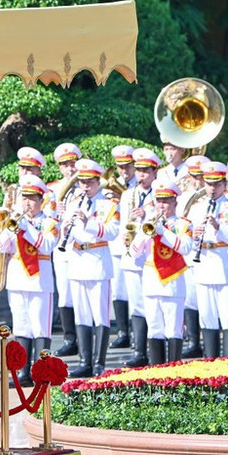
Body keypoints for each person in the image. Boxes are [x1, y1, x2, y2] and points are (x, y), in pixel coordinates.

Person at [0, 175, 59, 386]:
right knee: (21, 326)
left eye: (32, 198)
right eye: (24, 198)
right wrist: (9, 228)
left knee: (40, 326)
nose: (27, 203)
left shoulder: (49, 223)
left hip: (40, 280)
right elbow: (2, 247)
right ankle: (22, 373)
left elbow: (46, 246)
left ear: (41, 200)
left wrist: (27, 229)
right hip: (17, 279)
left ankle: (42, 371)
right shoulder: (15, 221)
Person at [62, 158, 120, 377]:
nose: (85, 186)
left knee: (100, 314)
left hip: (97, 260)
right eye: (82, 182)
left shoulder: (109, 205)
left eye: (90, 182)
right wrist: (64, 227)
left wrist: (89, 222)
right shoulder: (73, 202)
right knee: (82, 314)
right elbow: (63, 232)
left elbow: (113, 232)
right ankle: (84, 361)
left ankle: (98, 363)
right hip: (77, 259)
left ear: (98, 182)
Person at [129, 179, 193, 363]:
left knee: (173, 329)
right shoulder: (148, 224)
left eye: (166, 201)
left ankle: (173, 372)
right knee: (155, 328)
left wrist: (163, 232)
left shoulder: (183, 225)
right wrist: (143, 234)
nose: (162, 206)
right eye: (159, 201)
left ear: (175, 202)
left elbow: (185, 248)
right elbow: (133, 253)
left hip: (173, 281)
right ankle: (157, 372)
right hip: (151, 281)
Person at [118, 148, 160, 368]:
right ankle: (139, 350)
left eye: (146, 170)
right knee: (136, 305)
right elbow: (123, 223)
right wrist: (125, 233)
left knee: (153, 304)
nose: (141, 174)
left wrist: (147, 216)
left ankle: (155, 351)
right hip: (133, 256)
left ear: (155, 171)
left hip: (154, 257)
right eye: (139, 170)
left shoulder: (161, 194)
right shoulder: (129, 194)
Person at [188, 161, 228, 358]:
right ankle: (210, 364)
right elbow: (186, 236)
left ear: (225, 183)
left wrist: (218, 228)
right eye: (209, 183)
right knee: (207, 317)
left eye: (216, 184)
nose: (212, 188)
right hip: (204, 264)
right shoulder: (197, 207)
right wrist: (194, 235)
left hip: (225, 266)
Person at [175, 155, 210, 358]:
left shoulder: (214, 198)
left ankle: (209, 341)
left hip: (208, 254)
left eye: (201, 176)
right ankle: (193, 341)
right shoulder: (182, 198)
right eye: (194, 176)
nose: (197, 181)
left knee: (207, 302)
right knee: (189, 299)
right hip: (188, 254)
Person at [50, 143, 82, 358]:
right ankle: (69, 338)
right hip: (61, 247)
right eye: (65, 165)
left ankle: (84, 337)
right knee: (65, 293)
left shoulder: (87, 187)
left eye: (72, 163)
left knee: (82, 294)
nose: (69, 169)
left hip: (82, 247)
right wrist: (55, 212)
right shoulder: (51, 189)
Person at [107, 145, 137, 351]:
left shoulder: (140, 187)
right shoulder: (111, 187)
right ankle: (122, 332)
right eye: (120, 167)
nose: (123, 171)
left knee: (136, 292)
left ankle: (136, 332)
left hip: (137, 244)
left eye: (127, 166)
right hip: (117, 242)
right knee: (118, 290)